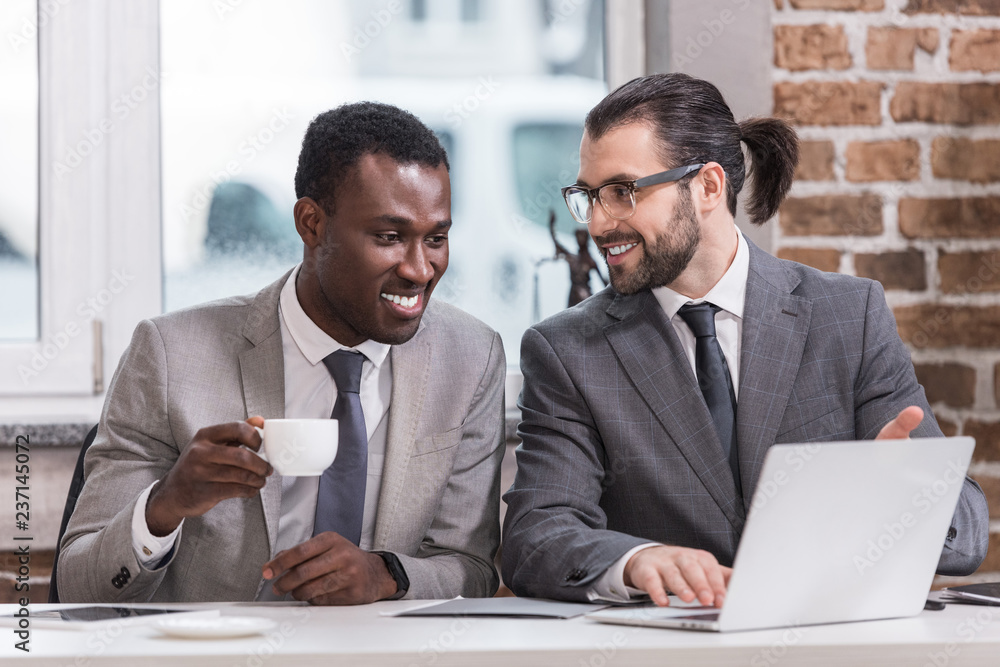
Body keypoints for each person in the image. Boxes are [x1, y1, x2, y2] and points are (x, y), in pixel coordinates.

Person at [501, 73, 989, 607]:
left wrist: (906, 494)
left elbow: (965, 537)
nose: (597, 223)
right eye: (588, 196)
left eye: (622, 192)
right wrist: (634, 560)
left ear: (708, 186)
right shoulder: (567, 350)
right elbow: (536, 537)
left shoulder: (849, 316)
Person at [58, 102, 506, 604]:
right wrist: (165, 505)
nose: (421, 269)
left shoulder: (472, 358)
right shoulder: (169, 355)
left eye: (437, 239)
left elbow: (471, 568)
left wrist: (386, 576)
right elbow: (79, 586)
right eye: (390, 237)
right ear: (312, 224)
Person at [549, 210, 607, 307]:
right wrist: (552, 225)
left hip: (585, 298)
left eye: (581, 236)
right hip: (573, 297)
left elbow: (604, 283)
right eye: (577, 236)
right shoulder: (572, 258)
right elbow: (556, 242)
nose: (579, 239)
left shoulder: (590, 261)